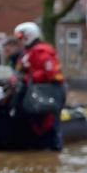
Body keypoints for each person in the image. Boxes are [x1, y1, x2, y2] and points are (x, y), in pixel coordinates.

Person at [13, 22, 66, 151]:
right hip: (34, 93)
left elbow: (49, 73)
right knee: (36, 122)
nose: (20, 41)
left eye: (21, 37)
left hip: (48, 92)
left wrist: (28, 77)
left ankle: (53, 150)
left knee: (49, 122)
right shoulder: (28, 52)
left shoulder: (42, 51)